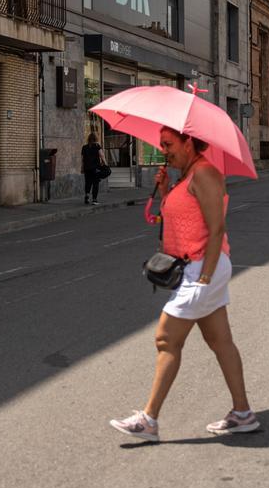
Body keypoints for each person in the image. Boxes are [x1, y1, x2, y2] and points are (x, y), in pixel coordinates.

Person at [110, 127, 257, 441]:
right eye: (162, 144)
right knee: (220, 342)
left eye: (169, 144)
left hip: (203, 266)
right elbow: (182, 221)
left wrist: (206, 276)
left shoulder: (205, 174)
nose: (164, 150)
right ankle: (243, 413)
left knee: (166, 339)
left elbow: (217, 229)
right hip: (196, 266)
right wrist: (164, 193)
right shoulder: (186, 175)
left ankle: (148, 420)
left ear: (189, 142)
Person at [81, 133, 107, 205]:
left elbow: (83, 159)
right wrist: (105, 164)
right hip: (96, 168)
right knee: (95, 183)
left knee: (88, 182)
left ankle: (87, 196)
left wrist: (82, 168)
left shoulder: (84, 147)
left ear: (88, 139)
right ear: (96, 139)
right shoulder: (97, 146)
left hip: (87, 168)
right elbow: (102, 156)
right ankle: (94, 200)